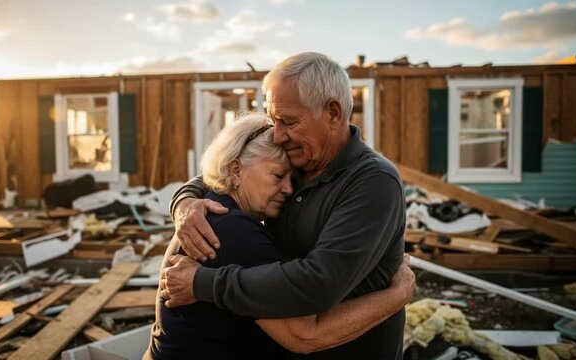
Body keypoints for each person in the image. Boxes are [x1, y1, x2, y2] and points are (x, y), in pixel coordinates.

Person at [160, 52, 411, 359]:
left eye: (288, 121)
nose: (277, 134)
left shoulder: (373, 182)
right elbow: (228, 169)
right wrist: (186, 200)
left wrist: (203, 283)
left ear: (333, 113)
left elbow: (317, 284)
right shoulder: (301, 157)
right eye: (274, 119)